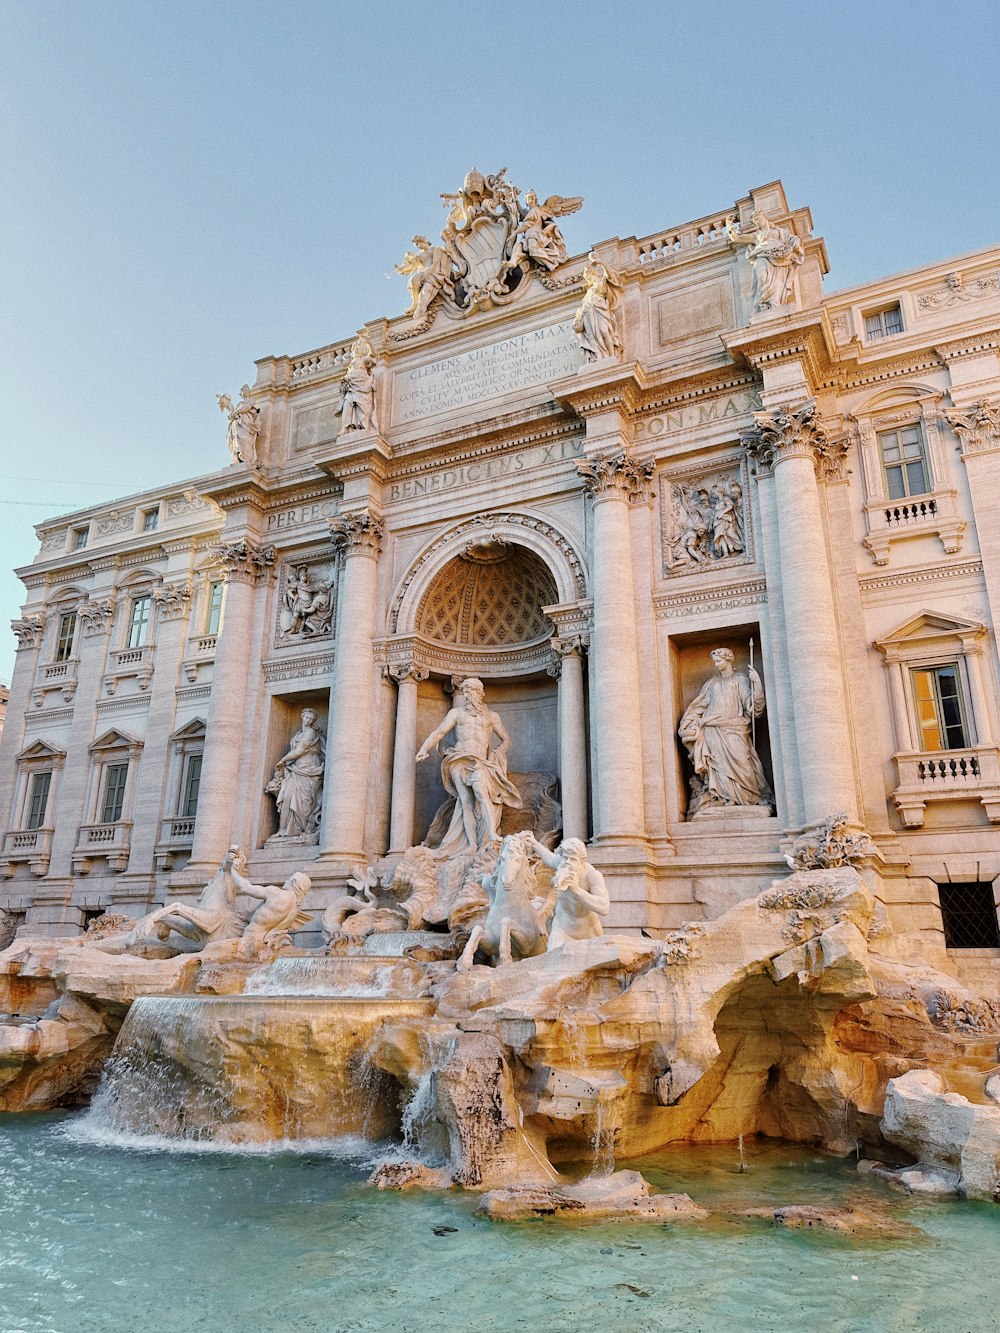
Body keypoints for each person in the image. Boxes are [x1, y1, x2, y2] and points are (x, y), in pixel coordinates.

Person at [416, 678, 522, 857]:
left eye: (471, 691)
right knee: (465, 802)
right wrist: (423, 749)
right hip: (459, 760)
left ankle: (492, 834)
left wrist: (496, 755)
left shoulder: (491, 716)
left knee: (481, 793)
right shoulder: (456, 713)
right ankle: (472, 844)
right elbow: (439, 732)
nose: (468, 695)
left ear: (480, 693)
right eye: (466, 692)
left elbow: (507, 739)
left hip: (480, 762)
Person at [678, 648, 770, 814]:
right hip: (712, 730)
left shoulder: (740, 680)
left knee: (743, 763)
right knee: (718, 765)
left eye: (718, 660)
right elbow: (700, 705)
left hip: (735, 728)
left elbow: (753, 707)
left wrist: (756, 683)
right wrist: (689, 722)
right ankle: (724, 797)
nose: (716, 664)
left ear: (729, 660)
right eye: (714, 661)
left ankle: (748, 796)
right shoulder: (712, 683)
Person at [529, 836, 610, 949]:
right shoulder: (562, 864)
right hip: (562, 929)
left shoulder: (592, 875)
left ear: (581, 861)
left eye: (573, 859)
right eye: (565, 858)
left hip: (589, 931)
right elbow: (549, 857)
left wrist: (576, 890)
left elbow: (604, 907)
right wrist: (533, 842)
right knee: (553, 962)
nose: (567, 863)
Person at [726, 210, 803, 311]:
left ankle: (773, 303)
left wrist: (796, 243)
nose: (757, 222)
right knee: (762, 278)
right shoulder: (756, 235)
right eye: (755, 221)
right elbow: (737, 238)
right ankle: (763, 304)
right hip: (762, 256)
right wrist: (729, 225)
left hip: (779, 257)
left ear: (764, 217)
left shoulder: (779, 232)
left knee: (777, 282)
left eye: (757, 219)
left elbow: (793, 239)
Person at [267, 708, 326, 839]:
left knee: (305, 802)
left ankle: (300, 830)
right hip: (295, 768)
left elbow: (299, 751)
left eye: (311, 719)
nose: (308, 721)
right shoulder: (297, 734)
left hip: (309, 768)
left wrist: (283, 760)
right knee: (287, 796)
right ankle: (284, 830)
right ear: (302, 716)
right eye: (306, 717)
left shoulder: (311, 732)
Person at [573, 253, 624, 361]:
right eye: (586, 276)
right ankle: (599, 355)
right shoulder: (589, 291)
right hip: (588, 312)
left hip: (601, 311)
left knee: (604, 332)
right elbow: (584, 306)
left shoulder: (601, 283)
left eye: (588, 275)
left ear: (594, 274)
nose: (587, 277)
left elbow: (610, 277)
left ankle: (611, 356)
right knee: (592, 335)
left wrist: (602, 263)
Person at [217, 386, 260, 468]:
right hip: (237, 424)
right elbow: (232, 411)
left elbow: (247, 407)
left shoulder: (251, 400)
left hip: (246, 424)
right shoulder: (239, 404)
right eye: (243, 390)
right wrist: (227, 404)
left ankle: (246, 459)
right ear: (241, 393)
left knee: (245, 439)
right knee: (236, 441)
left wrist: (235, 412)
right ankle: (237, 458)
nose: (245, 391)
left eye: (247, 390)